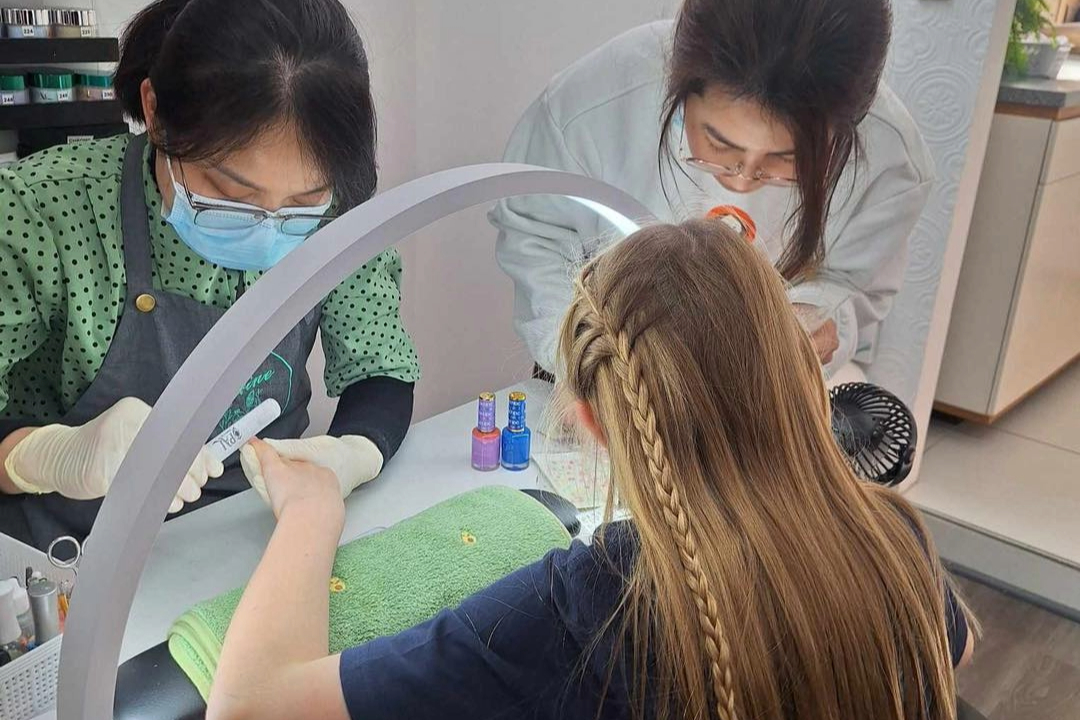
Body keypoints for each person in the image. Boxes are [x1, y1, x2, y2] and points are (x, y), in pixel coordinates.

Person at [205, 218, 973, 720]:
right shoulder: (893, 538)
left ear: (593, 423)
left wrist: (311, 513)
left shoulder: (597, 605)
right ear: (799, 366)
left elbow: (250, 705)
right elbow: (956, 647)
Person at [0, 0, 419, 551]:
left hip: (250, 542)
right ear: (155, 112)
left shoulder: (338, 212)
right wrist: (42, 457)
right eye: (230, 194)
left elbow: (379, 367)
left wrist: (354, 451)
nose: (268, 231)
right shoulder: (42, 211)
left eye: (302, 202)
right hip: (70, 557)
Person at [490, 0, 933, 386]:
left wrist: (817, 317)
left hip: (758, 397)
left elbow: (854, 283)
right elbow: (535, 233)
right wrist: (588, 362)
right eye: (720, 144)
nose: (743, 180)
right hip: (600, 378)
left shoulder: (891, 160)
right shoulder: (592, 105)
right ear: (682, 84)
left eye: (784, 159)